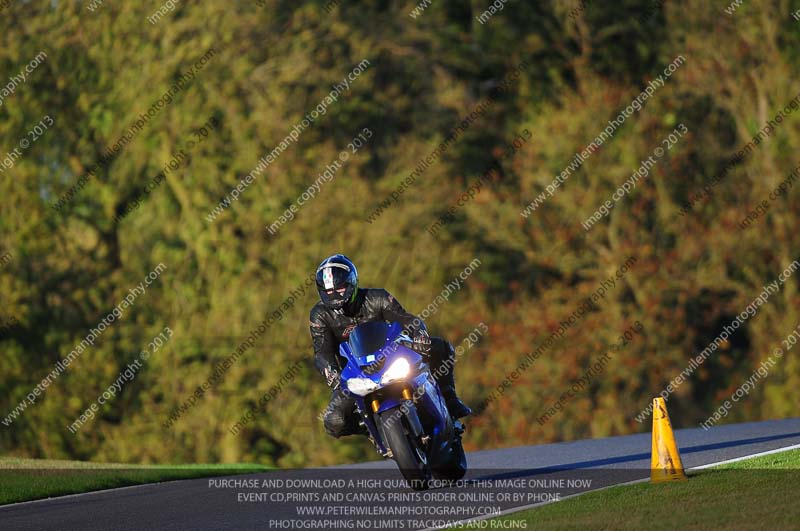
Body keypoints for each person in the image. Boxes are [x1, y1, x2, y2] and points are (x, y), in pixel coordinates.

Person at [310, 254, 472, 438]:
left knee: (440, 347)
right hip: (354, 372)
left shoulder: (377, 297)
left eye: (339, 289)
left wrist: (419, 335)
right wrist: (330, 372)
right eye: (329, 291)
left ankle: (450, 399)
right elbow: (321, 351)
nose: (335, 295)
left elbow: (407, 319)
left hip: (391, 357)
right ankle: (370, 429)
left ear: (351, 283)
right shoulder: (319, 315)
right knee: (334, 421)